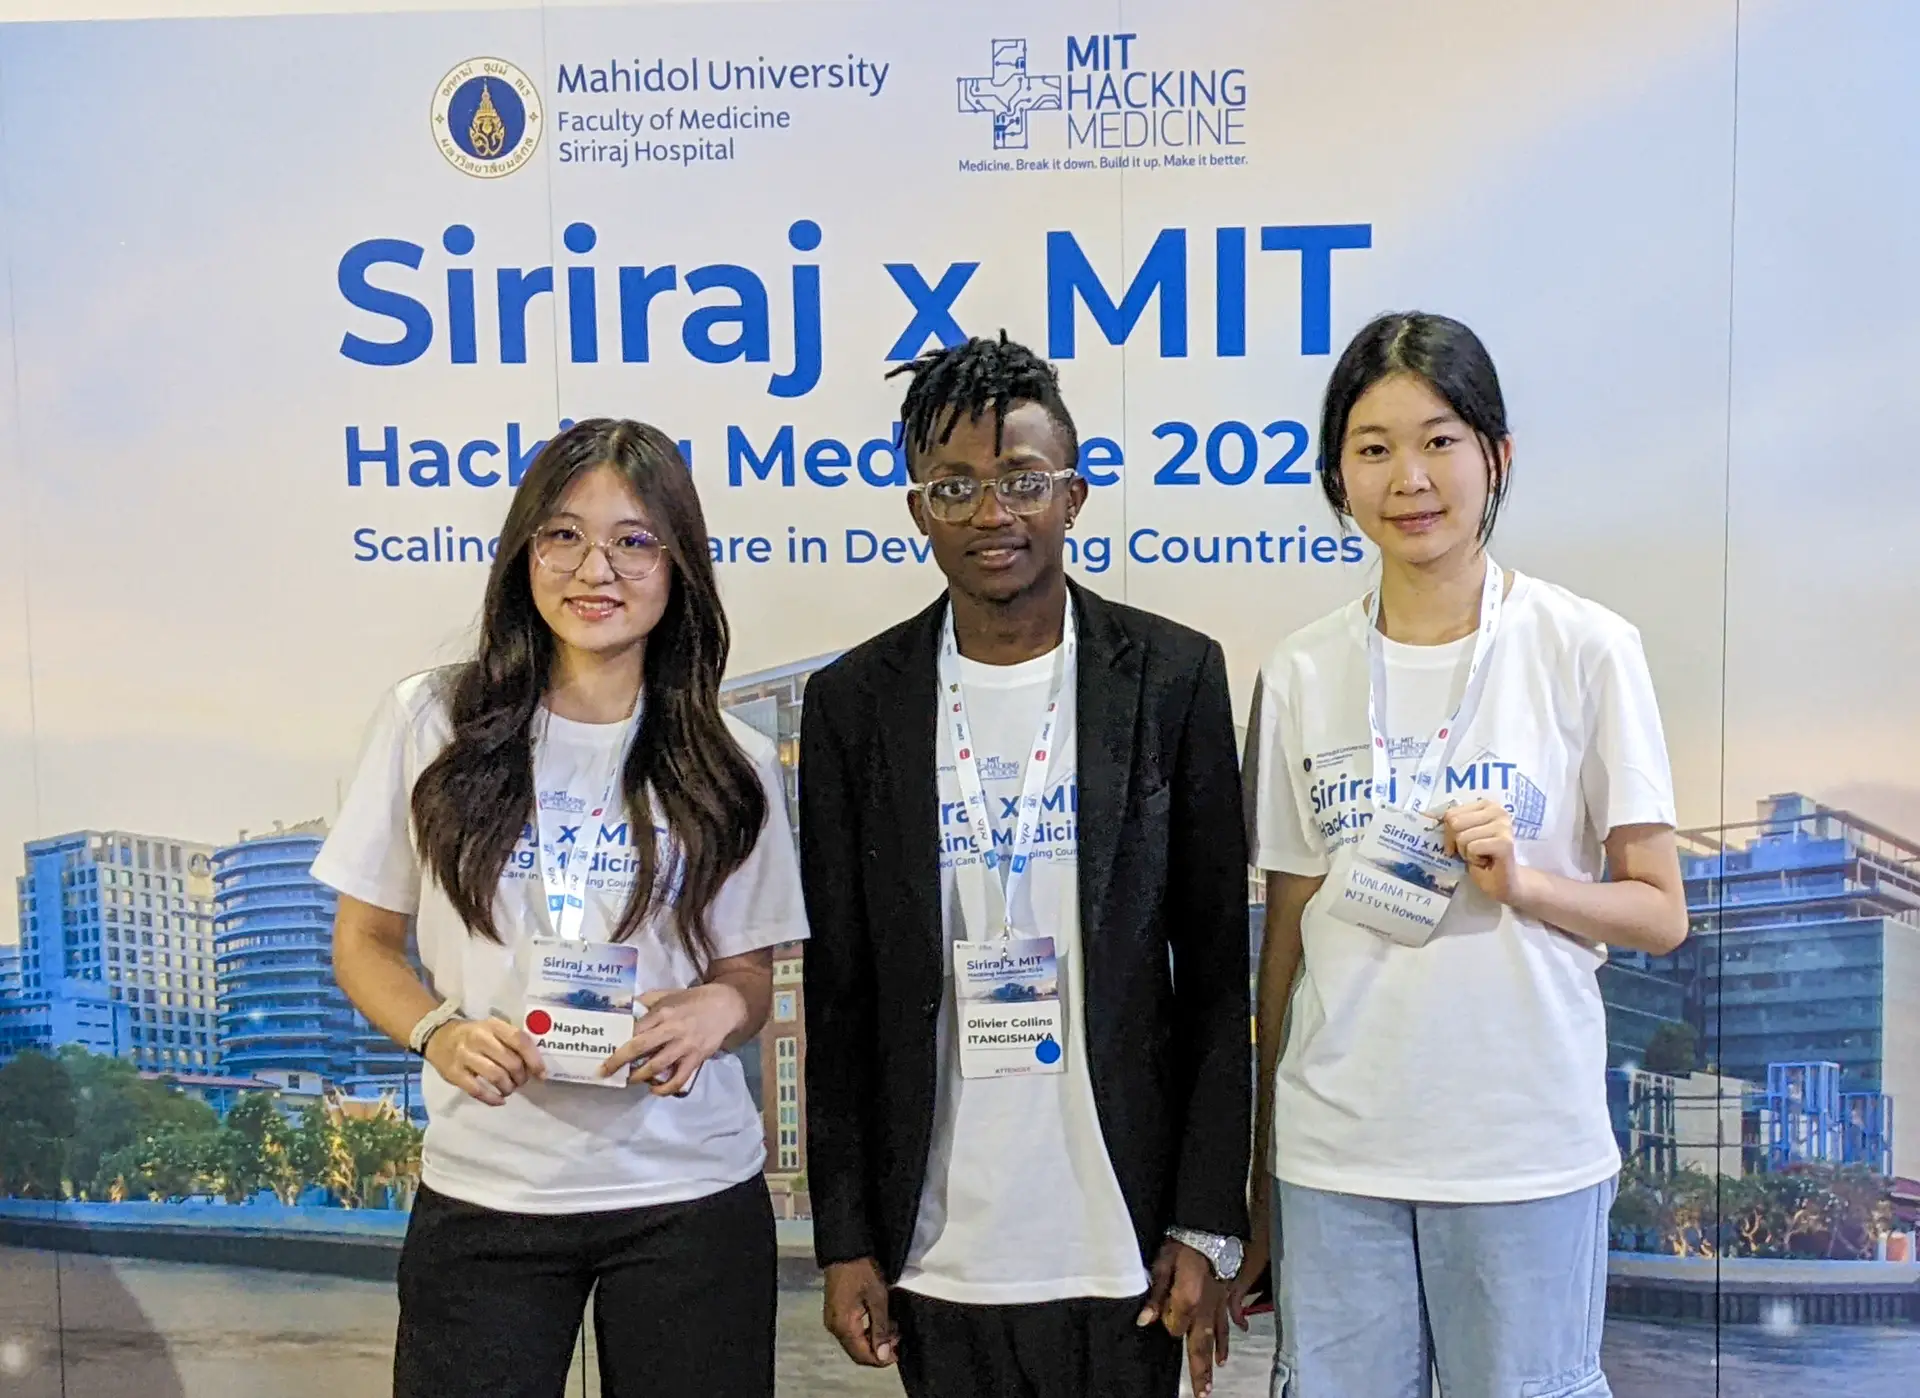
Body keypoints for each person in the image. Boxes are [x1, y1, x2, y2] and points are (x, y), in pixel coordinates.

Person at [1228, 313, 1688, 1397]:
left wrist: (1525, 885)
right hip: (1337, 1153)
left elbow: (1660, 913)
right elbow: (1286, 932)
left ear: (1497, 457)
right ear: (1338, 474)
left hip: (1522, 1147)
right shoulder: (1299, 671)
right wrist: (1264, 1165)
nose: (1410, 478)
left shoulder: (1586, 648)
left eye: (1440, 440)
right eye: (1374, 447)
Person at [800, 333, 1251, 1398]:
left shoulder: (1175, 678)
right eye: (954, 486)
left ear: (1074, 495)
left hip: (1125, 1241)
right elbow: (843, 996)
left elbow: (1220, 979)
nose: (991, 513)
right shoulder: (854, 703)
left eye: (1022, 481)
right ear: (918, 507)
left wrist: (1208, 1222)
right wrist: (845, 1238)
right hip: (938, 1245)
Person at [316, 419, 807, 1398]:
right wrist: (438, 1031)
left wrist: (719, 1011)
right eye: (564, 535)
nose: (597, 569)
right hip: (490, 1187)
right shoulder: (431, 722)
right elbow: (365, 944)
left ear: (678, 568)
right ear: (524, 553)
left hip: (688, 1194)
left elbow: (751, 973)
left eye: (634, 541)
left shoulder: (732, 758)